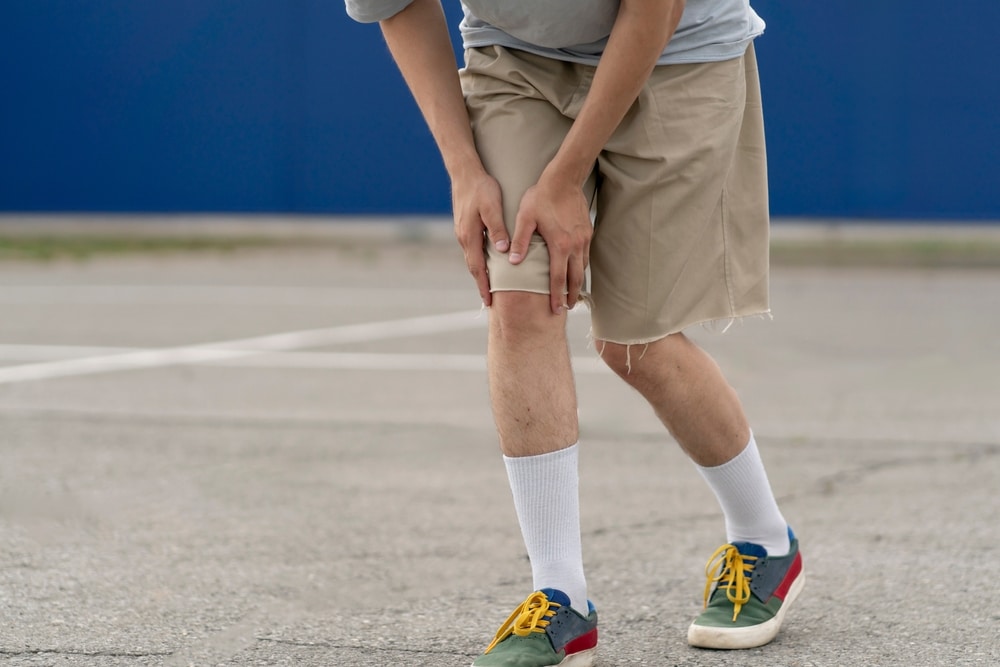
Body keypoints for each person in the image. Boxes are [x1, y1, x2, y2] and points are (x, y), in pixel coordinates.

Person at [344, 0, 804, 664]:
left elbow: (656, 9)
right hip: (519, 59)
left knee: (635, 342)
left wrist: (562, 178)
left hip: (678, 55)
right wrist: (463, 169)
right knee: (520, 300)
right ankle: (561, 599)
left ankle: (765, 541)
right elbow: (398, 4)